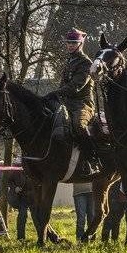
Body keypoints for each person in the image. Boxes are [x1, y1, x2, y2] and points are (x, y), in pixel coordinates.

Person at [45, 28, 101, 176]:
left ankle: (92, 161)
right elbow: (62, 85)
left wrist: (55, 93)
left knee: (79, 125)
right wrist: (54, 98)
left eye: (73, 43)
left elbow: (75, 87)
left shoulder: (85, 63)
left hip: (83, 104)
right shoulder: (70, 61)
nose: (70, 45)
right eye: (68, 42)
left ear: (80, 43)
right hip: (66, 103)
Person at [3, 158, 33, 241]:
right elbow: (8, 181)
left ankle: (44, 236)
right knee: (23, 214)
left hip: (31, 196)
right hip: (19, 197)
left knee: (38, 216)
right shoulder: (16, 169)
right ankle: (21, 238)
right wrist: (15, 187)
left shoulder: (34, 168)